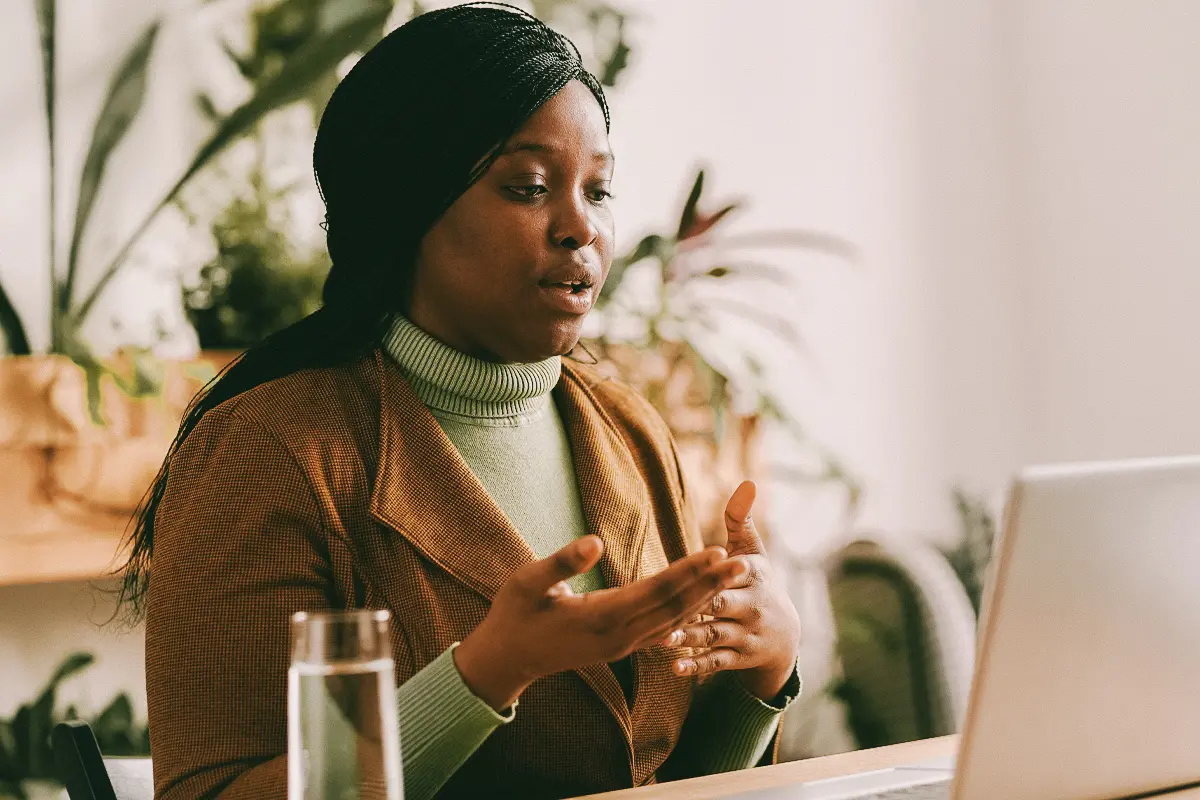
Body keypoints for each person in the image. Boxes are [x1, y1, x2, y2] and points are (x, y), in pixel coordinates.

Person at [123, 3, 802, 798]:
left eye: (600, 189)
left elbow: (651, 779)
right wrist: (486, 674)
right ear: (407, 207)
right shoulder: (271, 450)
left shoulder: (630, 431)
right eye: (528, 187)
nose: (581, 227)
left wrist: (765, 672)